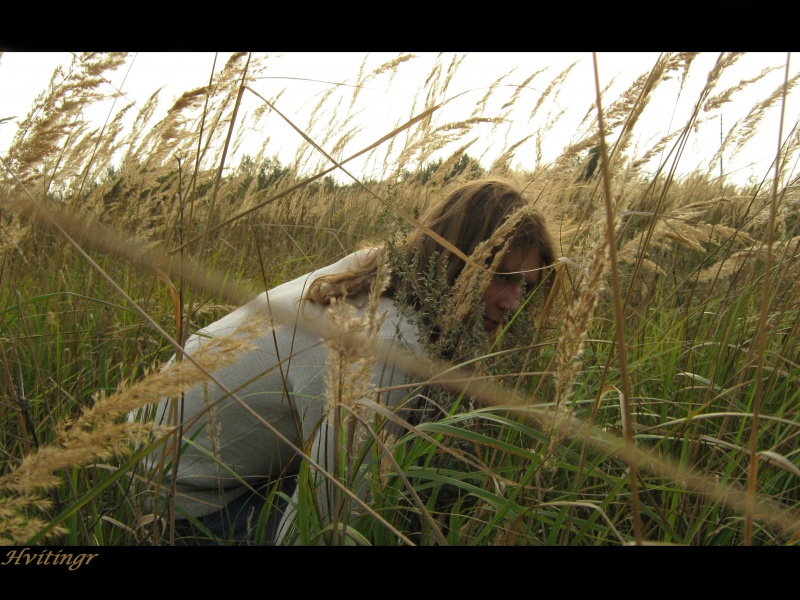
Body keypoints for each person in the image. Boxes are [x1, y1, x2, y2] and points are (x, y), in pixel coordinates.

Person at [138, 177, 557, 545]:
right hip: (179, 506)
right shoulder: (389, 349)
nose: (512, 304)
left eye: (527, 287)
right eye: (500, 276)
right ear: (452, 259)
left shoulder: (379, 266)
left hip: (152, 448)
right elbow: (317, 529)